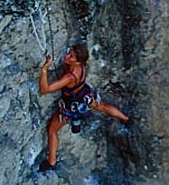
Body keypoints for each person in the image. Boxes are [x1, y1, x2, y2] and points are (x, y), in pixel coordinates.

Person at [38, 43, 129, 171]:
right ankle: (125, 118)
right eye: (69, 53)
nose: (67, 56)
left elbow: (44, 90)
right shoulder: (82, 66)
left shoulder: (69, 77)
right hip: (84, 95)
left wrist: (44, 70)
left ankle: (51, 162)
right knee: (102, 106)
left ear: (78, 61)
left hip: (71, 104)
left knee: (52, 130)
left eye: (72, 57)